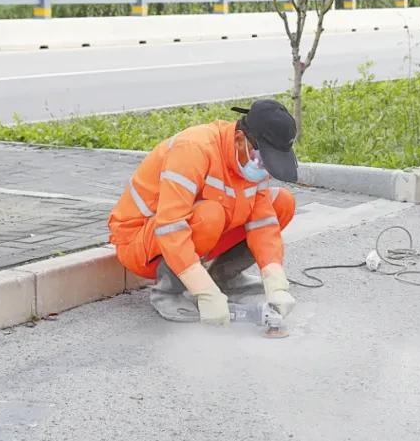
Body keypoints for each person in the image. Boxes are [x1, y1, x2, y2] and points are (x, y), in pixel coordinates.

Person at [107, 100, 299, 325]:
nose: (264, 169)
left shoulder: (249, 161)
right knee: (211, 214)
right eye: (262, 160)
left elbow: (263, 224)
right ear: (239, 140)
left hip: (189, 235)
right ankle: (169, 292)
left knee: (282, 203)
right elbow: (170, 226)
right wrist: (203, 290)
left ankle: (224, 277)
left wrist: (275, 281)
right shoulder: (193, 149)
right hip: (139, 244)